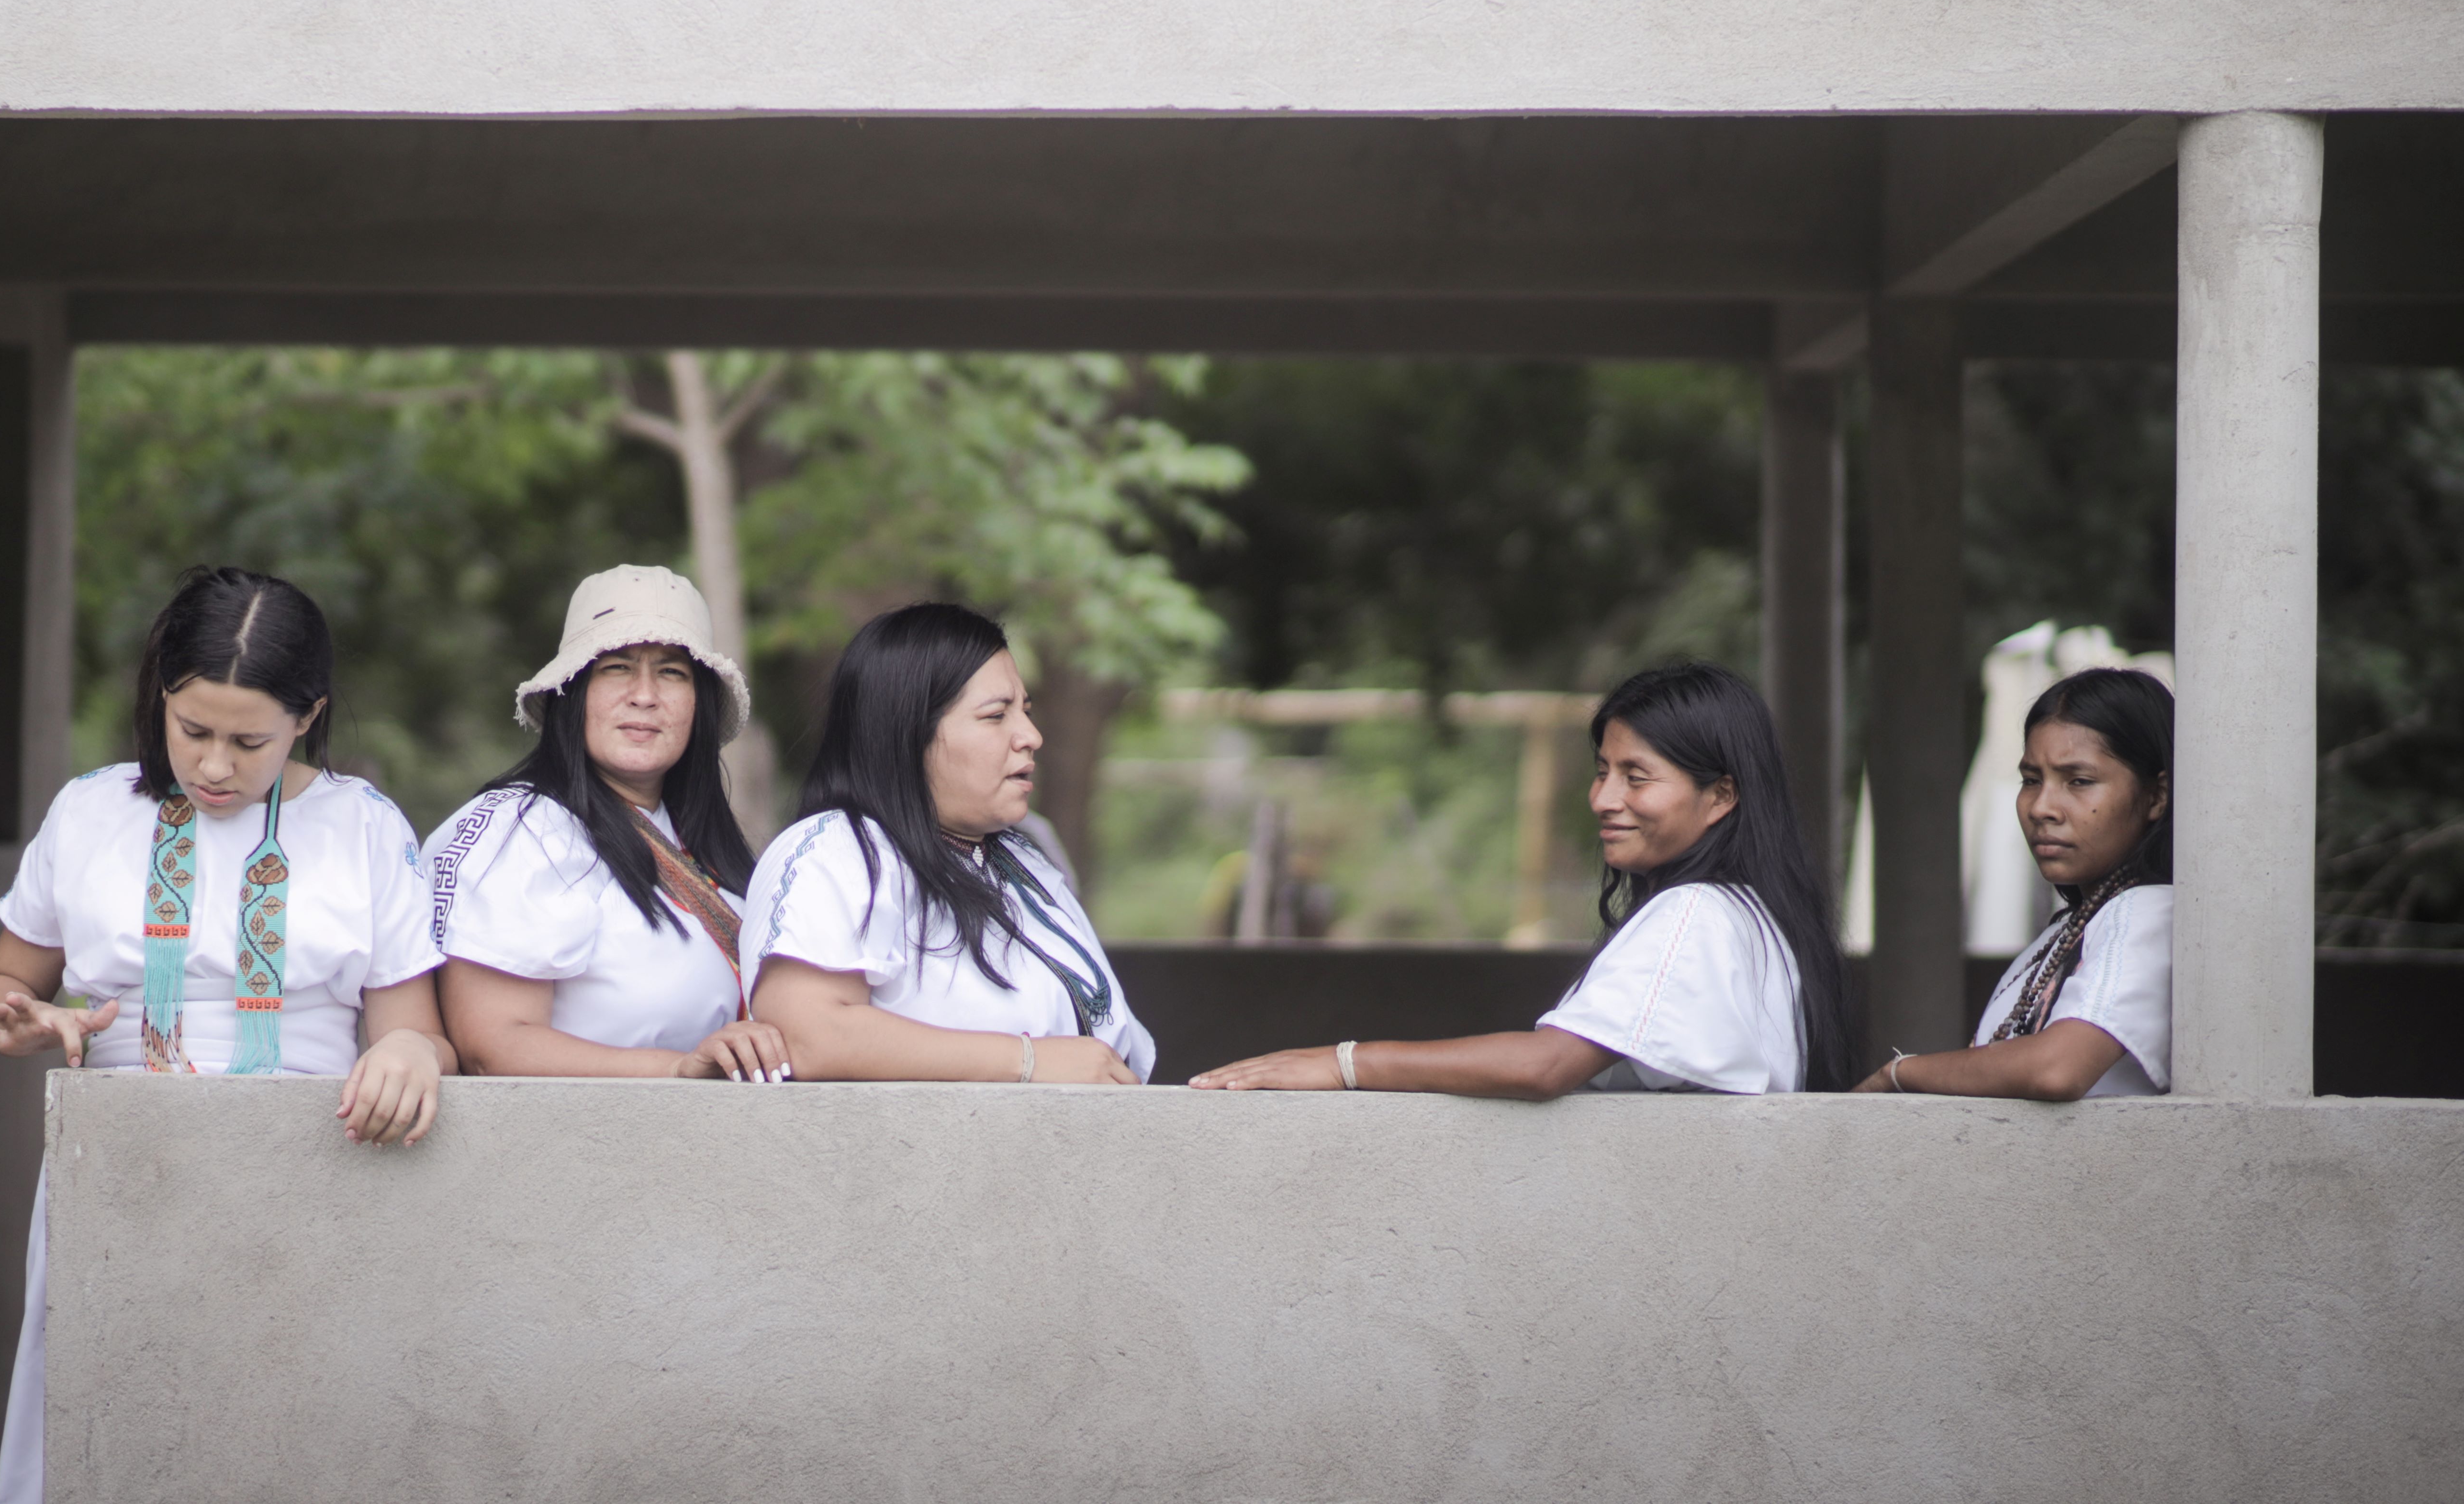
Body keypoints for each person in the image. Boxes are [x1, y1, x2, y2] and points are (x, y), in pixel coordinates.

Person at [0, 567, 453, 1504]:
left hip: (316, 1176)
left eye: (248, 740)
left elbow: (418, 1037)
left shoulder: (364, 827)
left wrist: (405, 1052)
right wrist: (29, 1018)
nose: (215, 765)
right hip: (118, 1173)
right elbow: (2, 984)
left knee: (285, 1432)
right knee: (104, 1420)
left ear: (308, 715)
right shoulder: (91, 811)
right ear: (161, 701)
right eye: (193, 731)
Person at [1193, 660, 1852, 1097]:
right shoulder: (1753, 915)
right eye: (1602, 770)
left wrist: (1341, 1063)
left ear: (1720, 796)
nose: (1603, 798)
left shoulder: (1694, 915)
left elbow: (1547, 1067)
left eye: (1637, 776)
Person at [743, 602, 1156, 1083]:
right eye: (996, 715)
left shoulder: (1020, 860)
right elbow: (808, 1036)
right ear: (908, 731)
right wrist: (1028, 1061)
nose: (1031, 736)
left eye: (1025, 711)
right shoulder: (839, 850)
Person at [424, 564, 790, 1080]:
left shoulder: (705, 846)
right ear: (573, 694)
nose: (645, 695)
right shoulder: (519, 831)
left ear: (698, 706)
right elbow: (493, 1045)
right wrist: (679, 1070)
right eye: (617, 667)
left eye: (672, 673)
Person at [1854, 666, 2173, 1098]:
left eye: (2078, 782)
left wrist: (1898, 1074)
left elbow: (2058, 1069)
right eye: (2030, 781)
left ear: (2156, 796)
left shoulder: (2150, 911)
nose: (2042, 807)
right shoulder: (2075, 924)